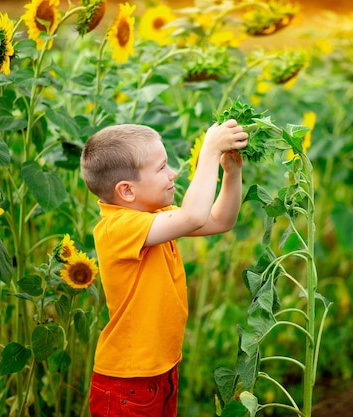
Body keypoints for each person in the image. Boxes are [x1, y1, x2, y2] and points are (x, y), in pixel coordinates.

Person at [80, 119, 249, 417]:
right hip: (126, 384)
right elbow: (194, 216)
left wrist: (231, 174)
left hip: (160, 371)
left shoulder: (155, 216)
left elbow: (221, 221)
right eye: (162, 168)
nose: (173, 174)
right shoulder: (117, 228)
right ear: (127, 191)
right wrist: (209, 150)